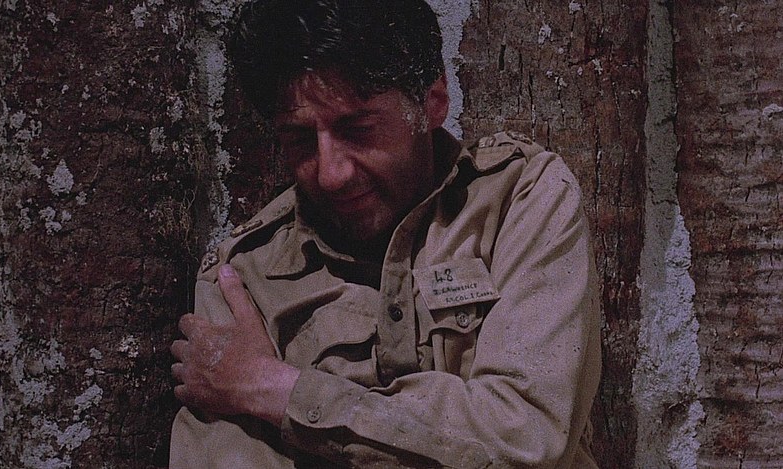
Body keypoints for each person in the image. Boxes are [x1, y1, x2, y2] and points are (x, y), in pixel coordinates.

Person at [169, 0, 601, 467]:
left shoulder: (520, 200)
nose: (331, 174)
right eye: (300, 140)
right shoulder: (241, 278)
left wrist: (272, 387)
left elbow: (527, 438)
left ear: (433, 102)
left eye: (358, 130)